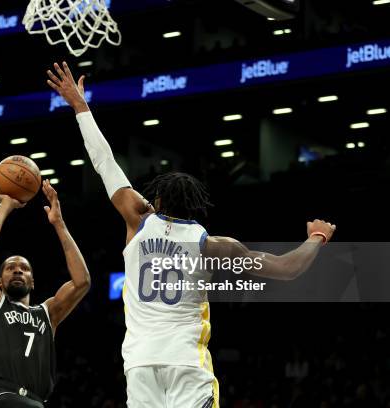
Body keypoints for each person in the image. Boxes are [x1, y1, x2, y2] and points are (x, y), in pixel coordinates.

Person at [46, 61, 336, 408]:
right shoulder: (213, 245)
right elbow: (288, 269)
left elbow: (104, 161)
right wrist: (316, 238)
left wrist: (80, 106)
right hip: (185, 361)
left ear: (157, 200)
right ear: (194, 207)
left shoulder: (136, 218)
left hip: (139, 363)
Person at [0, 180, 91, 407]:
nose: (18, 269)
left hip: (35, 401)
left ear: (32, 282)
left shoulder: (48, 313)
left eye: (24, 268)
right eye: (10, 268)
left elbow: (82, 281)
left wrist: (59, 224)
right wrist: (6, 204)